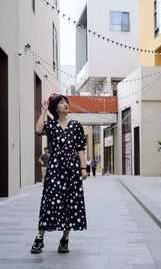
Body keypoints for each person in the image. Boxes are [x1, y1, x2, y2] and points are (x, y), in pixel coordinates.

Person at [31, 93, 87, 254]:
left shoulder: (76, 125)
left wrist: (83, 168)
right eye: (61, 102)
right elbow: (38, 130)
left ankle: (65, 239)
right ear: (55, 107)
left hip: (72, 168)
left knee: (71, 201)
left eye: (66, 102)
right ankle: (40, 239)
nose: (65, 104)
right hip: (55, 168)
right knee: (49, 200)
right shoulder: (51, 124)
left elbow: (80, 148)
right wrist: (43, 111)